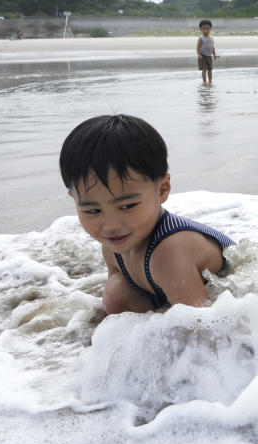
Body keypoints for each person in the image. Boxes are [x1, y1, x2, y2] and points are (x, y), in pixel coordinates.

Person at [59, 115, 235, 320]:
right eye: (92, 211)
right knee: (115, 295)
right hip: (168, 293)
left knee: (184, 323)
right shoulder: (113, 244)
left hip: (231, 300)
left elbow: (202, 329)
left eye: (126, 206)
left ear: (162, 189)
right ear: (74, 198)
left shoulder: (170, 251)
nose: (110, 225)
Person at [196, 19, 219, 83]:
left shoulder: (211, 37)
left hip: (209, 56)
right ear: (200, 29)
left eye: (207, 28)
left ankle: (210, 81)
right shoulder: (201, 38)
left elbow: (212, 46)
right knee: (204, 69)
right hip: (202, 55)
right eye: (203, 29)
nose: (206, 30)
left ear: (210, 29)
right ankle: (204, 81)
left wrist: (214, 54)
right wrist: (199, 54)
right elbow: (198, 47)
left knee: (210, 69)